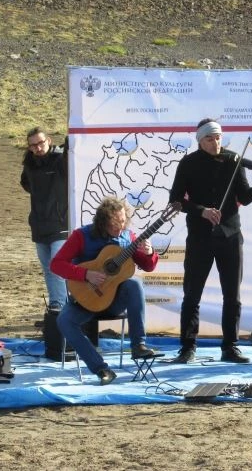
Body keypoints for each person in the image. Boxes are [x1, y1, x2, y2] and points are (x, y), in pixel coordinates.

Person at [168, 119, 252, 364]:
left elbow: (245, 198)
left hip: (230, 235)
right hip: (200, 236)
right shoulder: (188, 163)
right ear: (200, 140)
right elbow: (175, 200)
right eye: (210, 138)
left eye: (218, 137)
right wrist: (201, 210)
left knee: (232, 294)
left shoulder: (233, 160)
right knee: (192, 294)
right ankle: (187, 347)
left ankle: (230, 347)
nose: (216, 142)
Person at [50, 196, 157, 385]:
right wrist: (86, 274)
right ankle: (101, 369)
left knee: (134, 284)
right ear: (102, 222)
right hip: (86, 300)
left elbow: (148, 266)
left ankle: (138, 345)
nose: (120, 227)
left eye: (123, 221)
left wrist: (150, 254)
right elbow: (56, 265)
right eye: (115, 223)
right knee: (64, 321)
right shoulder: (81, 236)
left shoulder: (128, 237)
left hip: (113, 302)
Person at [20, 127, 69, 312]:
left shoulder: (60, 159)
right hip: (39, 224)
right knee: (49, 269)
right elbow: (25, 182)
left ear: (48, 140)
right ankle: (57, 304)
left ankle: (59, 308)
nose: (38, 148)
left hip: (61, 223)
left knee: (58, 266)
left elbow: (71, 165)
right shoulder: (30, 164)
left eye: (41, 143)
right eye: (33, 145)